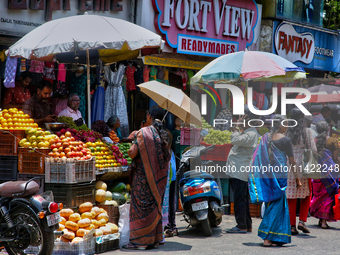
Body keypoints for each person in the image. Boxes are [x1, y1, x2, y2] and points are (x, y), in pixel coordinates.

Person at [124, 107, 171, 250]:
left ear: (149, 116)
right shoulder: (164, 134)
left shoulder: (143, 133)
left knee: (139, 209)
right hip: (158, 180)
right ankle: (155, 240)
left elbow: (132, 153)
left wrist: (132, 142)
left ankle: (140, 242)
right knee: (155, 205)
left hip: (142, 180)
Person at [249, 115, 297, 247]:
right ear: (281, 125)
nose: (287, 126)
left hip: (268, 177)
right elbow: (292, 162)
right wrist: (297, 178)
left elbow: (256, 158)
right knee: (276, 207)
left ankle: (276, 236)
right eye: (286, 123)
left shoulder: (265, 138)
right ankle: (267, 238)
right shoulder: (286, 140)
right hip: (280, 177)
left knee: (274, 205)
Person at [226, 106, 259, 234]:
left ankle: (241, 225)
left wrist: (236, 127)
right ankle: (246, 224)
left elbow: (234, 139)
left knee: (240, 198)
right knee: (242, 198)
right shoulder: (247, 132)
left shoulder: (251, 133)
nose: (239, 120)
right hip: (238, 171)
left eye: (242, 118)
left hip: (240, 171)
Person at [286, 109, 317, 235]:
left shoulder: (287, 131)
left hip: (290, 166)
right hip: (304, 165)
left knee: (291, 196)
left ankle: (292, 225)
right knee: (307, 193)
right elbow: (313, 150)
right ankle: (302, 221)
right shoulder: (307, 132)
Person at [310, 121, 340, 229]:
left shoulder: (314, 141)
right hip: (329, 172)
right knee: (328, 196)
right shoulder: (333, 141)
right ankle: (323, 221)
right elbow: (336, 159)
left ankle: (320, 219)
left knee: (319, 195)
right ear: (328, 129)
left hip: (317, 172)